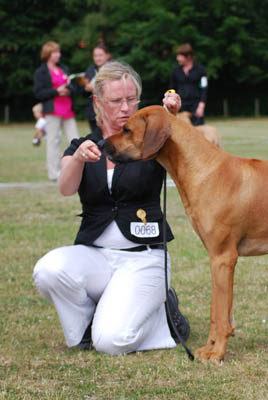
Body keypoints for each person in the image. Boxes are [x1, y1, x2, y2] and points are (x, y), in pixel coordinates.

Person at [33, 60, 188, 355]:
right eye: (116, 100)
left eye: (131, 99)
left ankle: (165, 316)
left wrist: (171, 119)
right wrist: (78, 158)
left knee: (113, 342)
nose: (125, 107)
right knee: (48, 270)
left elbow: (190, 156)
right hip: (97, 257)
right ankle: (87, 328)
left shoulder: (152, 143)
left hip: (144, 258)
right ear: (98, 101)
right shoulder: (83, 144)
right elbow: (66, 188)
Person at [34, 41, 80, 181]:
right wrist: (56, 91)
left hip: (67, 108)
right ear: (48, 54)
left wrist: (68, 90)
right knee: (53, 141)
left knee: (75, 140)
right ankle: (54, 174)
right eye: (55, 52)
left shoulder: (64, 68)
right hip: (52, 110)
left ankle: (78, 170)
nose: (58, 55)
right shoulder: (41, 72)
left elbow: (74, 86)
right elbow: (38, 93)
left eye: (59, 52)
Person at [169, 43, 208, 126]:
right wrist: (171, 103)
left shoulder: (200, 70)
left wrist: (201, 106)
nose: (177, 58)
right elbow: (172, 89)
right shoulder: (176, 71)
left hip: (195, 105)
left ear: (188, 56)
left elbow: (204, 88)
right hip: (180, 106)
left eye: (180, 56)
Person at [83, 43, 112, 132]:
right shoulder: (89, 70)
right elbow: (83, 93)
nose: (98, 58)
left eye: (100, 55)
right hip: (93, 112)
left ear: (107, 55)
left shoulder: (114, 69)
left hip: (109, 110)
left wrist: (96, 87)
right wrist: (86, 88)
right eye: (95, 56)